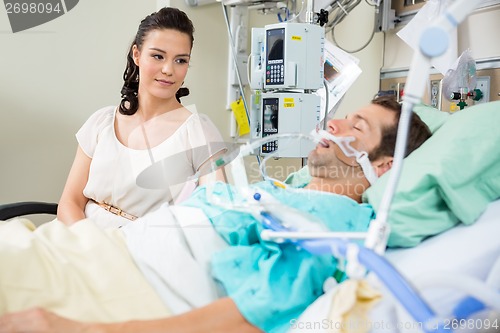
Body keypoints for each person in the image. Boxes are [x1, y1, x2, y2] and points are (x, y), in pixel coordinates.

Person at [0, 95, 432, 333]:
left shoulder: (340, 222)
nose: (334, 124)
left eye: (357, 128)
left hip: (131, 287)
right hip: (95, 249)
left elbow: (253, 313)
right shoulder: (278, 190)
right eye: (345, 116)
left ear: (382, 166)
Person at [57, 7, 224, 228]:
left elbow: (218, 212)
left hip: (141, 249)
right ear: (136, 55)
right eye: (158, 56)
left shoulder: (197, 132)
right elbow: (69, 203)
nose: (168, 69)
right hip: (77, 237)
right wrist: (88, 242)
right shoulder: (102, 121)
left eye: (180, 60)